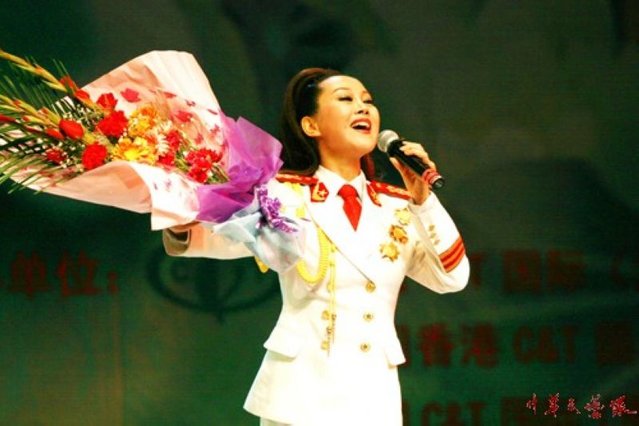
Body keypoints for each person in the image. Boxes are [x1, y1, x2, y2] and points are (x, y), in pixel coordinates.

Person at [163, 68, 470, 426]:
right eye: (346, 99)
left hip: (373, 396)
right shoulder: (282, 193)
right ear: (311, 125)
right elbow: (213, 236)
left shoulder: (398, 206)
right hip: (300, 395)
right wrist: (179, 214)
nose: (363, 108)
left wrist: (423, 200)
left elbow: (452, 277)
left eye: (368, 101)